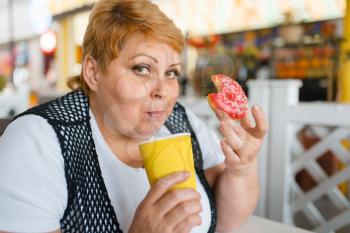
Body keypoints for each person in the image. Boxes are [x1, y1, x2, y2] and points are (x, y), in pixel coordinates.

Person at [0, 0, 268, 232]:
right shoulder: (38, 141)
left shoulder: (180, 120)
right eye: (142, 68)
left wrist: (242, 169)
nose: (163, 90)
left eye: (171, 72)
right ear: (93, 72)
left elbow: (228, 222)